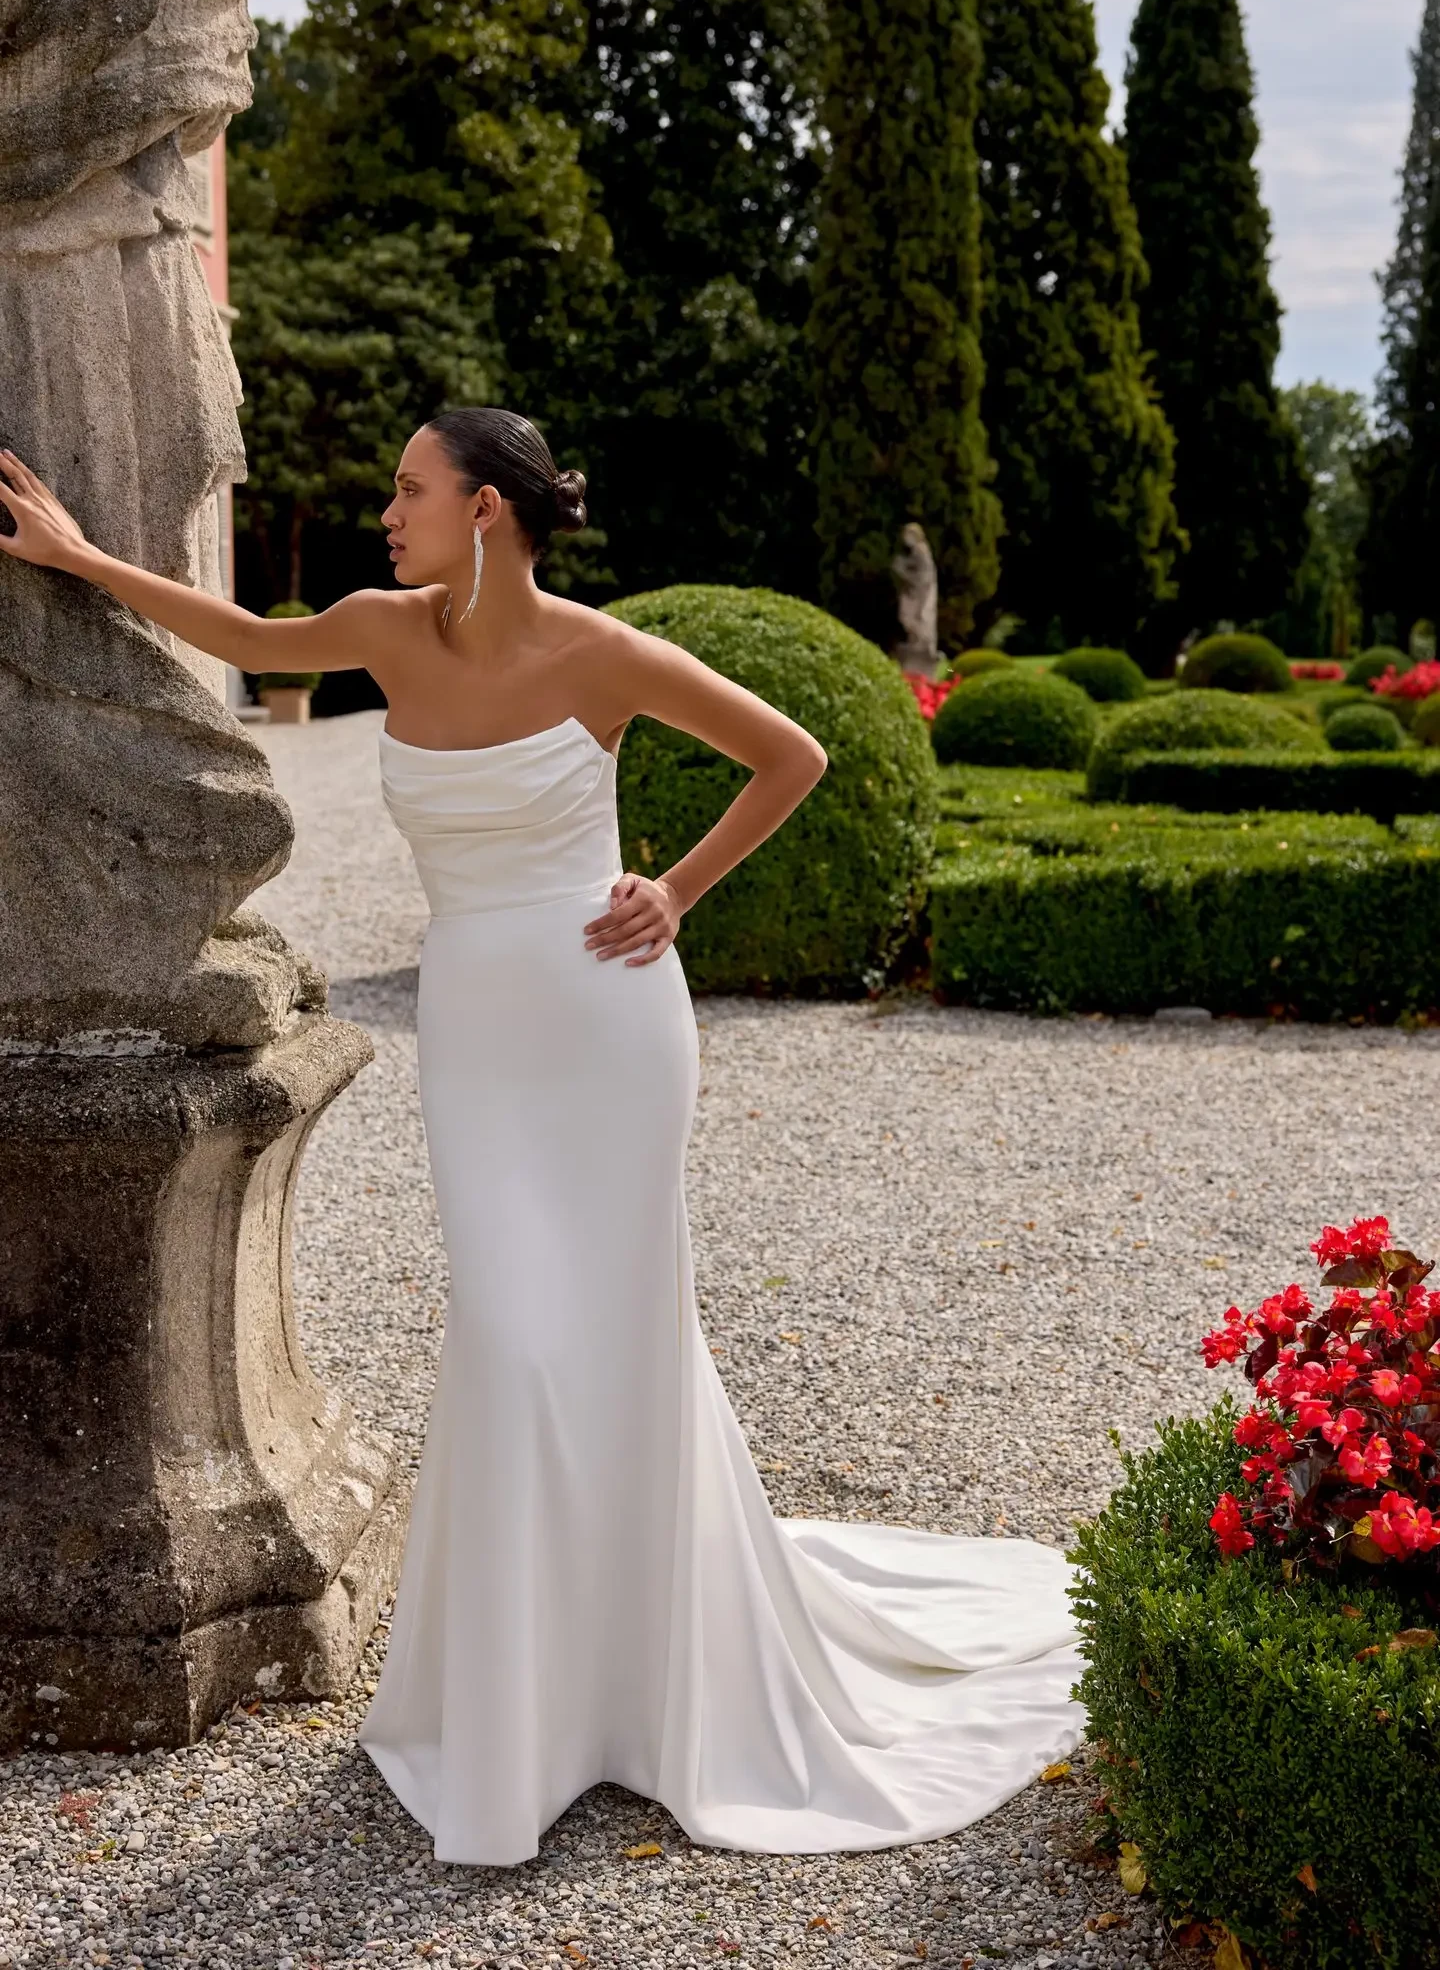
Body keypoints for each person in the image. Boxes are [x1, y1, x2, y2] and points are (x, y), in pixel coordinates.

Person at [0, 412, 1084, 1866]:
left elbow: (794, 754)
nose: (390, 511)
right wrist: (80, 559)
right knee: (511, 1335)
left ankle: (634, 1690)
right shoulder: (385, 629)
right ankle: (524, 1702)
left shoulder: (601, 653)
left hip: (609, 1024)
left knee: (618, 1334)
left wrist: (678, 891)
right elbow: (250, 636)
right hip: (480, 1030)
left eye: (411, 489)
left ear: (489, 510)